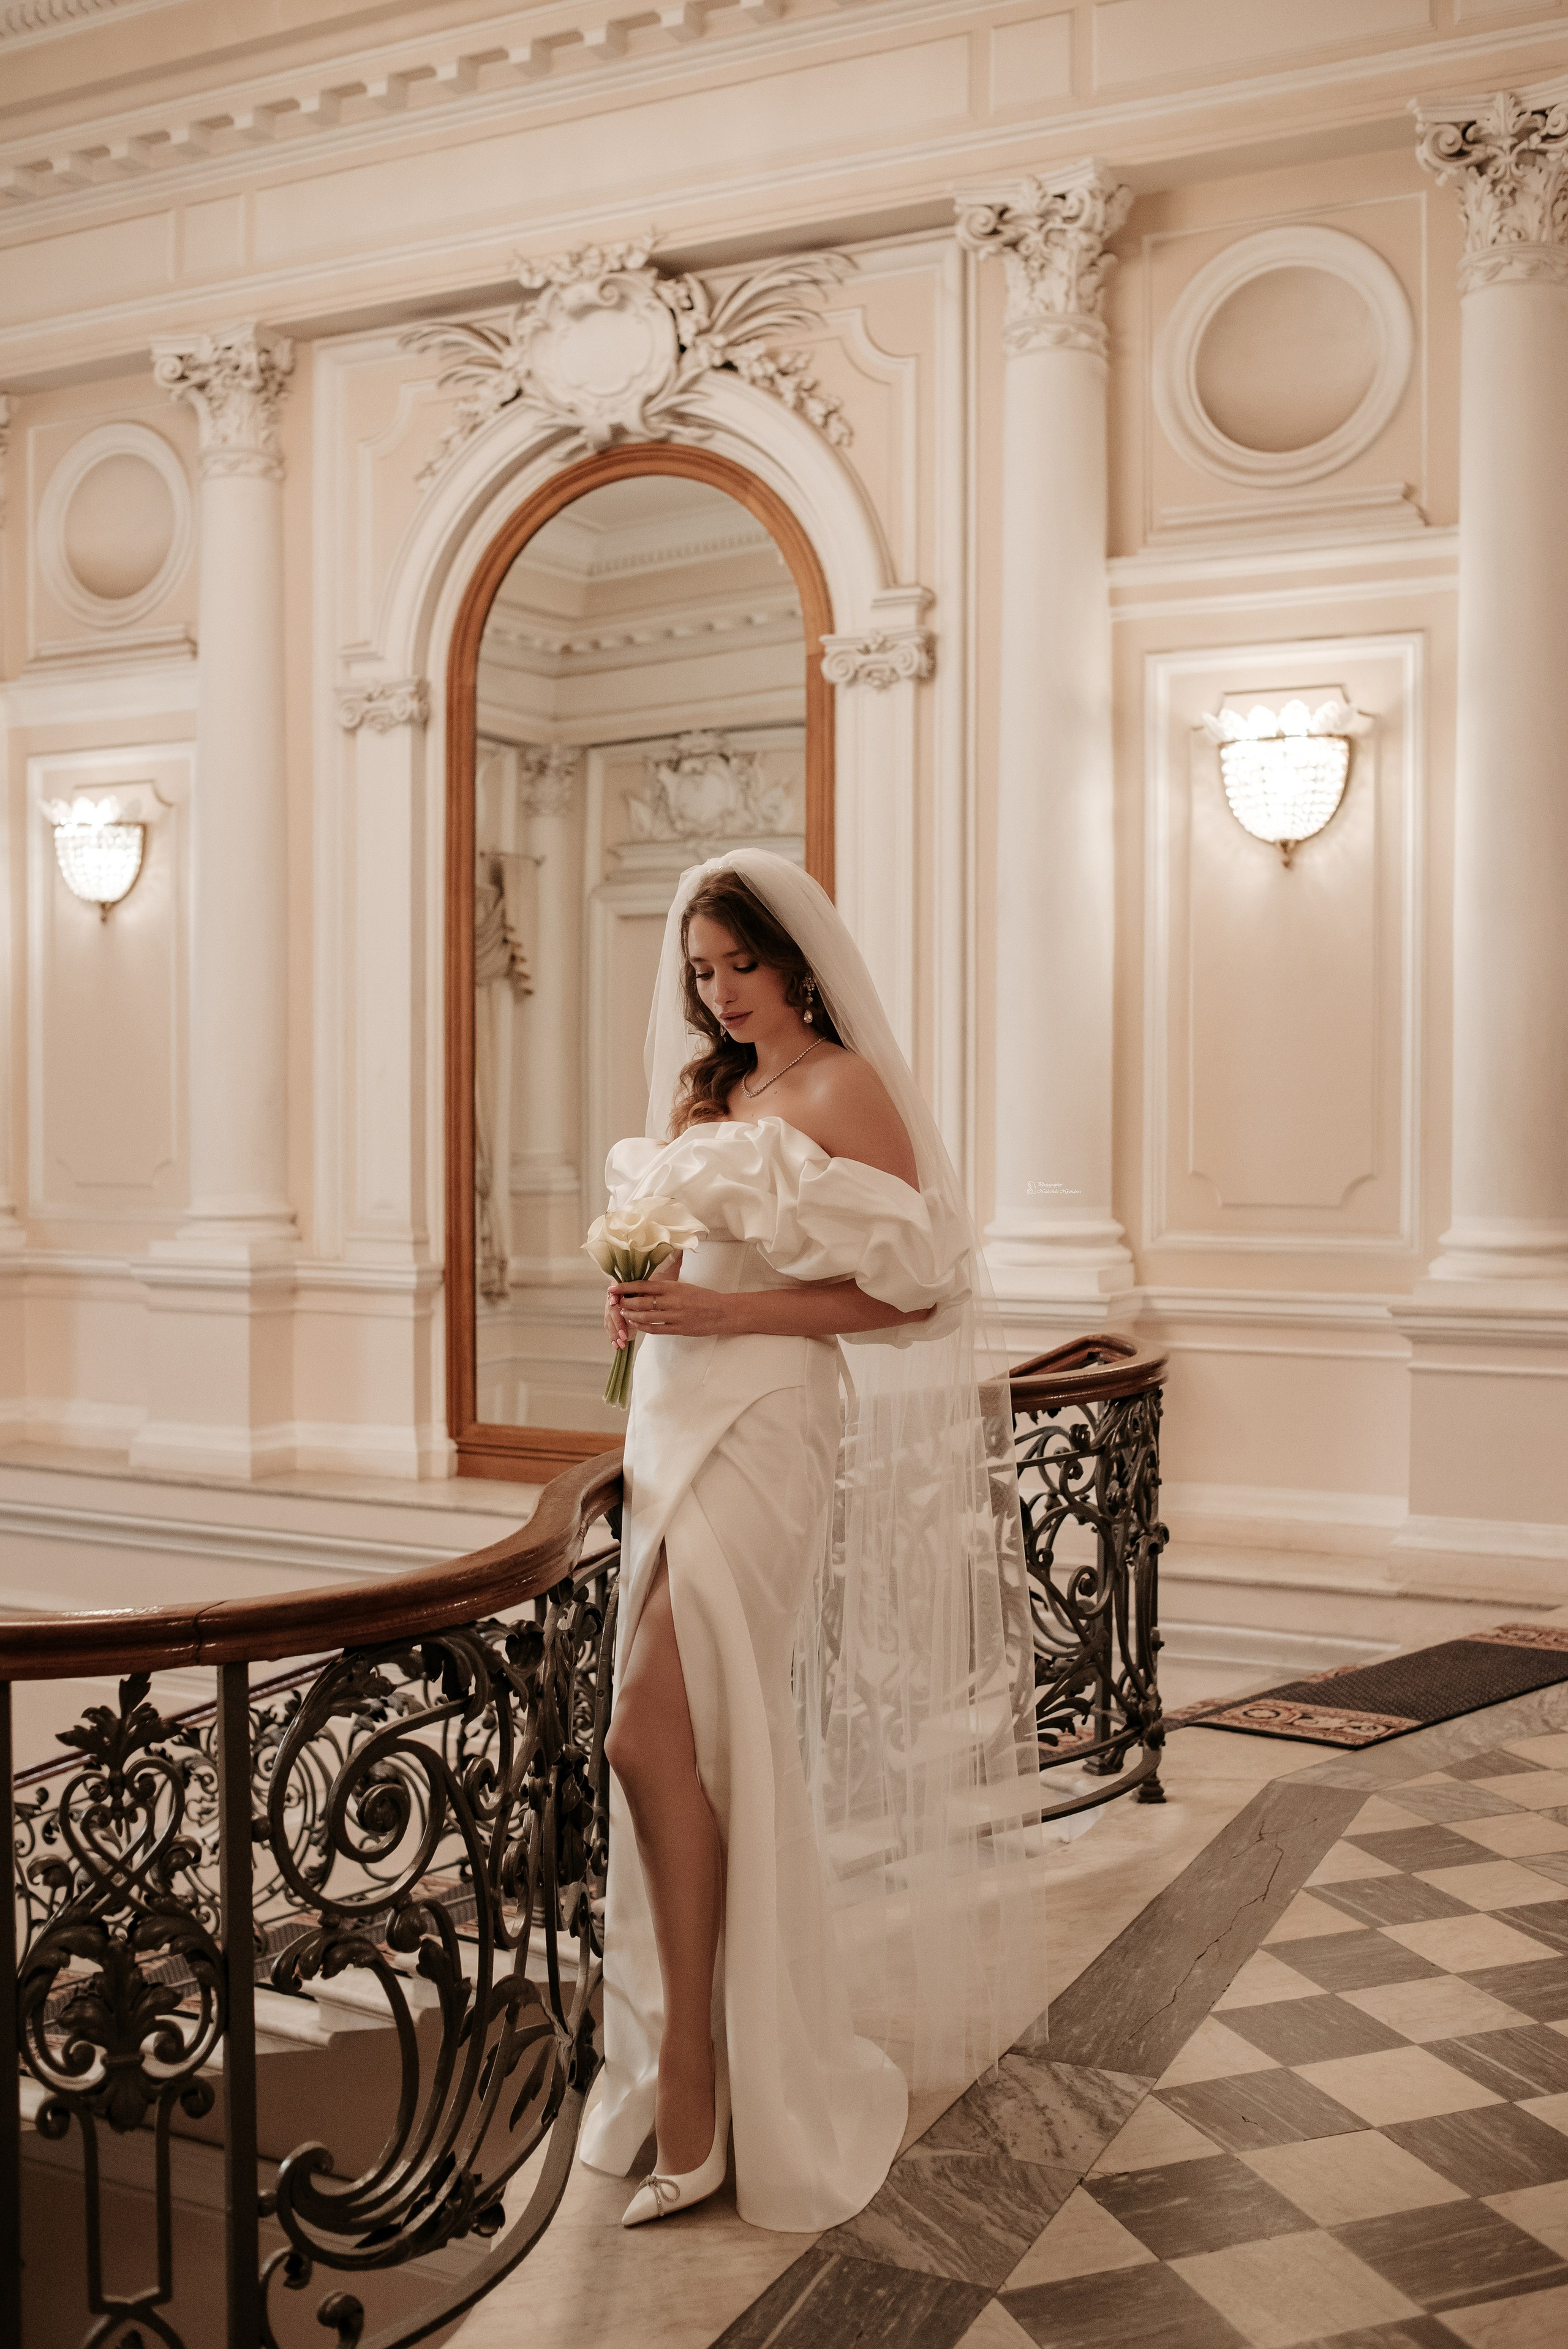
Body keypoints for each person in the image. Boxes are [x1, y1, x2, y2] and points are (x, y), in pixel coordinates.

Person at [577, 850, 1047, 2234]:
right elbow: (693, 1247)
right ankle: (702, 2055)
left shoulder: (842, 1088)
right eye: (702, 972)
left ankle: (700, 2070)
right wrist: (648, 1297)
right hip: (668, 1421)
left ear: (793, 961)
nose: (720, 992)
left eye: (739, 964)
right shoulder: (711, 1095)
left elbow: (915, 1295)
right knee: (685, 1739)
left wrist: (723, 1318)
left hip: (768, 1420)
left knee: (648, 1734)